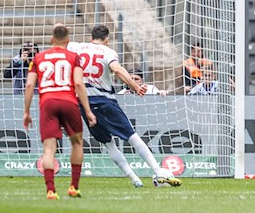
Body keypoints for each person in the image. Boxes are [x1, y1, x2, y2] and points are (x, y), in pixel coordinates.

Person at [66, 24, 182, 187]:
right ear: (107, 39)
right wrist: (135, 86)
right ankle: (158, 171)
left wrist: (64, 29)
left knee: (108, 143)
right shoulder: (108, 52)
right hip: (103, 101)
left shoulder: (76, 47)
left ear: (91, 37)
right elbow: (117, 70)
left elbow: (62, 42)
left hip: (83, 103)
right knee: (132, 136)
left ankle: (135, 179)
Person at [23, 26, 96, 200]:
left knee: (49, 149)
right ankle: (73, 187)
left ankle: (51, 190)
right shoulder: (73, 57)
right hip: (69, 102)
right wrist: (87, 110)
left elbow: (29, 85)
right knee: (77, 143)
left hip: (48, 103)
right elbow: (79, 84)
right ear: (68, 40)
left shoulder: (39, 58)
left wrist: (26, 112)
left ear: (51, 40)